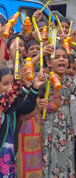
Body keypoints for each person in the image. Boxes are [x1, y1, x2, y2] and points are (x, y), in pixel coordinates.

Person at [42, 46, 75, 177]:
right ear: (48, 63)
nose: (61, 59)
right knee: (50, 159)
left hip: (66, 129)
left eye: (64, 57)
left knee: (66, 159)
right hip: (48, 128)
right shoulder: (43, 79)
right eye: (57, 57)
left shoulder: (68, 81)